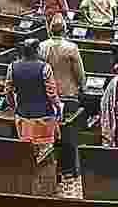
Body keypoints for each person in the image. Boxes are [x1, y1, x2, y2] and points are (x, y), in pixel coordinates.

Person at [39, 17, 86, 177]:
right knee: (69, 133)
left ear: (50, 30)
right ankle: (70, 168)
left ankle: (54, 166)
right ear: (65, 30)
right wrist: (83, 87)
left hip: (48, 95)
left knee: (50, 130)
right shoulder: (71, 48)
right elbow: (79, 73)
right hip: (68, 94)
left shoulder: (42, 46)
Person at [4, 39, 62, 160]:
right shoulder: (45, 68)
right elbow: (51, 94)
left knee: (27, 154)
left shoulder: (12, 67)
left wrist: (14, 106)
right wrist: (58, 107)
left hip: (23, 116)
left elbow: (8, 91)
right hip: (43, 117)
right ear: (37, 51)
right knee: (45, 154)